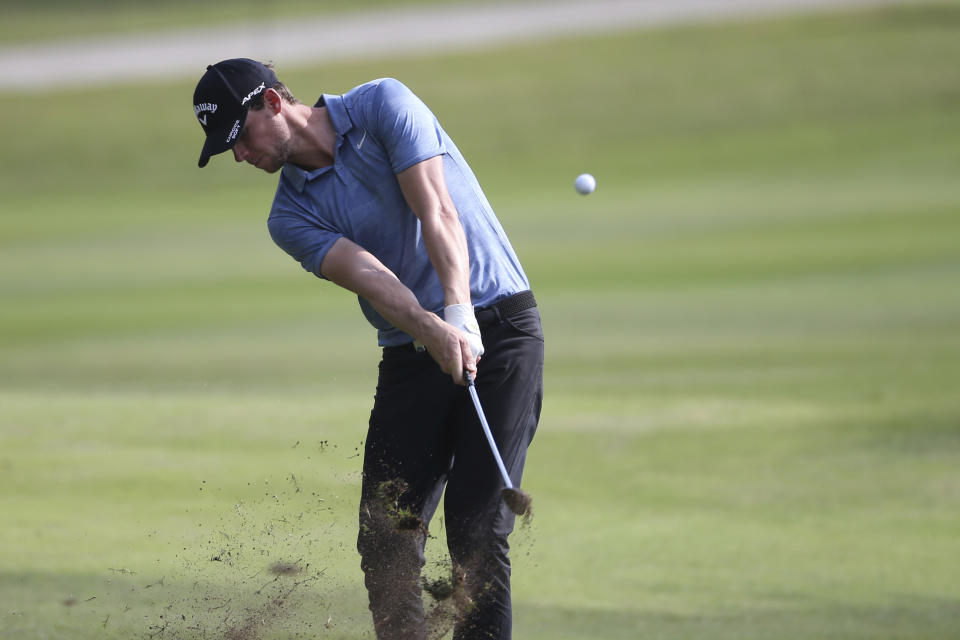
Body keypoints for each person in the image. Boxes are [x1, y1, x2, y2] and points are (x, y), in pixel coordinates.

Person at [192, 58, 544, 640]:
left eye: (239, 135)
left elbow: (436, 210)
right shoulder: (289, 217)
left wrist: (459, 313)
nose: (238, 155)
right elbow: (372, 277)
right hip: (411, 352)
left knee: (477, 529)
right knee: (385, 534)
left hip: (499, 328)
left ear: (274, 104)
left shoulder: (383, 104)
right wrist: (434, 330)